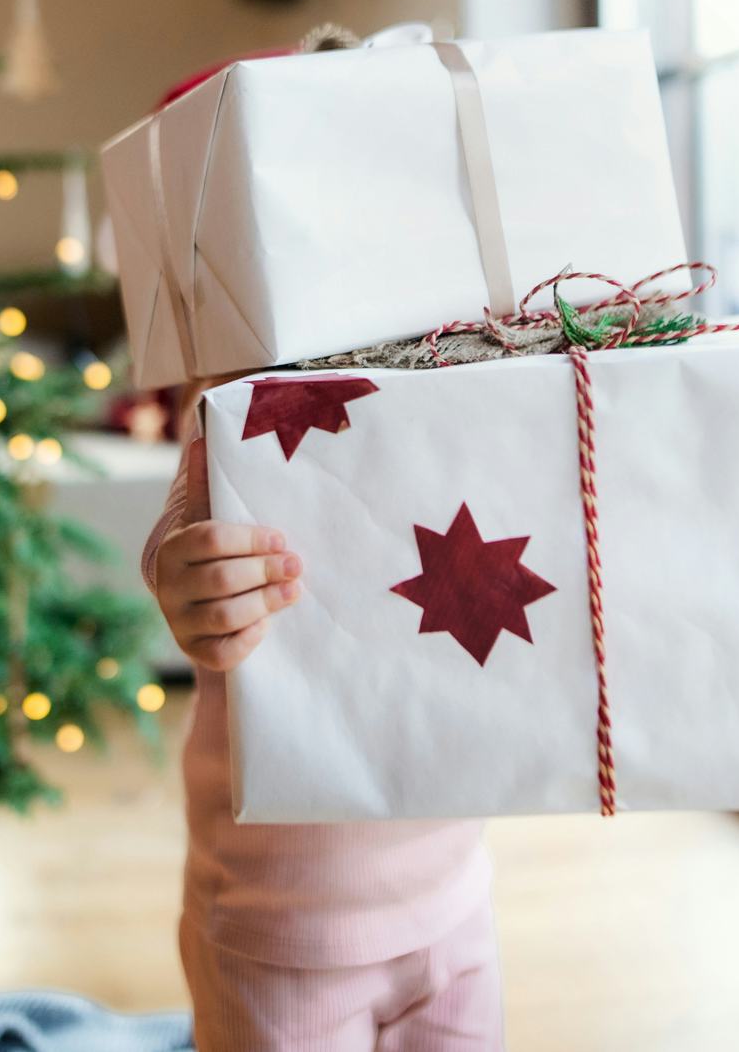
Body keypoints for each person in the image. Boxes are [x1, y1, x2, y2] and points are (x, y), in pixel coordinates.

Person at [142, 408, 505, 1051]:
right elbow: (186, 520)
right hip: (279, 925)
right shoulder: (244, 375)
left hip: (455, 892)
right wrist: (190, 575)